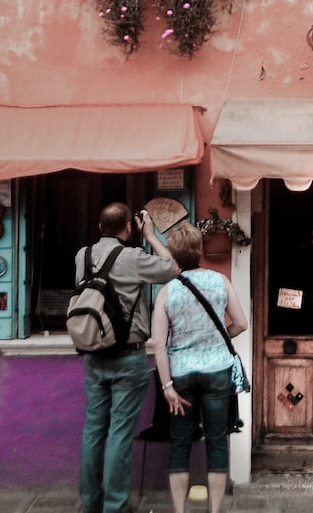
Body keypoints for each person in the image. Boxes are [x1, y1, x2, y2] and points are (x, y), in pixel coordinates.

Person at [77, 201, 177, 513]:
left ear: (99, 227)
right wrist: (150, 235)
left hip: (94, 355)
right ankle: (115, 507)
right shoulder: (132, 257)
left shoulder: (82, 255)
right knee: (119, 434)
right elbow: (172, 268)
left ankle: (91, 504)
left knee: (93, 431)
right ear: (129, 227)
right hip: (128, 357)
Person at [151, 221, 248, 513]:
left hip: (180, 375)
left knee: (180, 442)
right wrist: (217, 340)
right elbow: (241, 324)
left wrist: (167, 386)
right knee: (217, 441)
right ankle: (214, 510)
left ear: (173, 254)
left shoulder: (167, 292)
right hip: (217, 371)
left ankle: (180, 511)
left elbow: (159, 344)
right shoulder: (220, 281)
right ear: (200, 249)